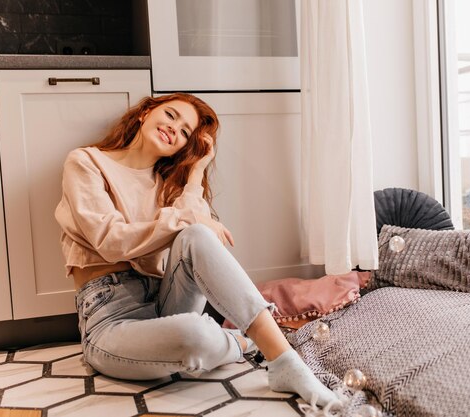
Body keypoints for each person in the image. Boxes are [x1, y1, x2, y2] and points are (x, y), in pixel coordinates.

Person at [54, 93, 339, 407]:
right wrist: (185, 216)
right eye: (172, 115)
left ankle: (284, 362)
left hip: (163, 297)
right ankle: (241, 339)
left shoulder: (167, 185)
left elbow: (196, 226)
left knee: (197, 235)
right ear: (146, 112)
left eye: (186, 133)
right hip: (110, 319)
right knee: (196, 335)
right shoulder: (86, 161)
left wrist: (196, 171)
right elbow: (108, 241)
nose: (175, 129)